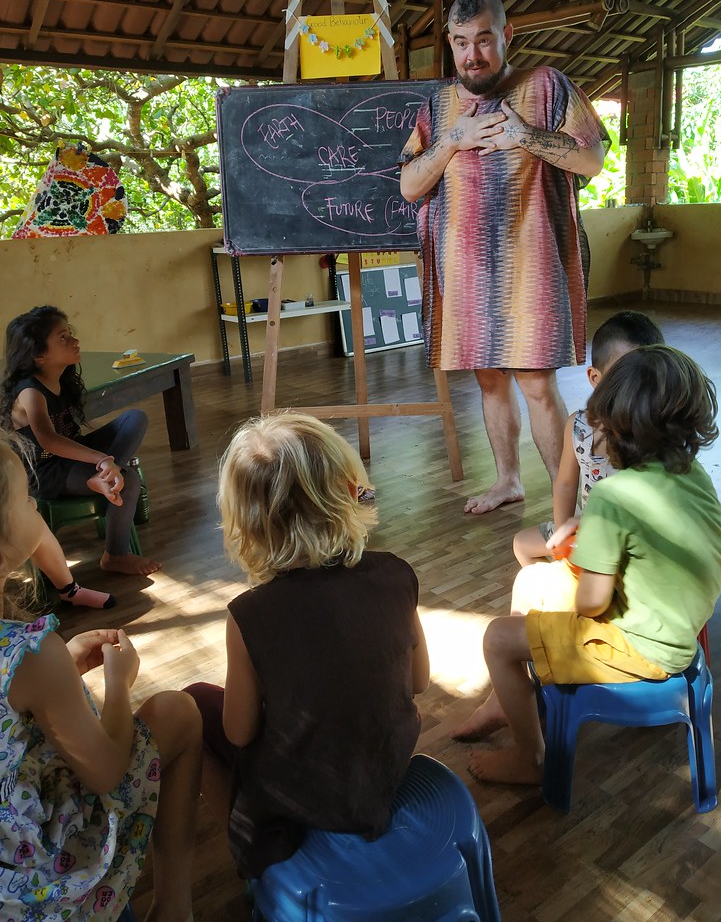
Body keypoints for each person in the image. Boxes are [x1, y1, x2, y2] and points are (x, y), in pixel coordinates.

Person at [460, 346, 721, 785]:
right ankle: (512, 697)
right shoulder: (691, 473)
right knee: (531, 581)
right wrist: (587, 530)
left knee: (496, 639)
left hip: (642, 648)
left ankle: (530, 757)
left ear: (616, 430)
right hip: (677, 624)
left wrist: (585, 550)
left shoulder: (613, 496)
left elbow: (589, 605)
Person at [185, 411, 430, 879]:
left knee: (193, 706)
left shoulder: (249, 614)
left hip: (304, 797)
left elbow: (238, 732)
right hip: (385, 773)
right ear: (349, 490)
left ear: (246, 522)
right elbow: (419, 682)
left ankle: (257, 866)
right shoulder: (398, 573)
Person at [399, 0, 609, 515]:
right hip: (464, 270)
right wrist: (453, 140)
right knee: (490, 381)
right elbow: (408, 185)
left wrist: (524, 134)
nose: (473, 54)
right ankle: (508, 481)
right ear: (449, 41)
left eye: (485, 40)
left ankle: (579, 500)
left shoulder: (546, 86)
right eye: (462, 42)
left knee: (536, 384)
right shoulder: (438, 104)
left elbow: (591, 159)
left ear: (506, 35)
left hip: (531, 265)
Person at [0, 429, 202, 921]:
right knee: (179, 711)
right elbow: (106, 770)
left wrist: (63, 666)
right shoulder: (29, 653)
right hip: (37, 884)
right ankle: (174, 906)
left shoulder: (33, 659)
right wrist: (119, 681)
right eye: (27, 499)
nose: (34, 506)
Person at [0, 305, 160, 578]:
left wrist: (109, 463)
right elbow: (48, 440)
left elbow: (68, 439)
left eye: (70, 333)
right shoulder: (30, 391)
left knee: (135, 418)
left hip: (70, 459)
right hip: (45, 472)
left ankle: (110, 472)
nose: (74, 341)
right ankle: (116, 555)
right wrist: (101, 459)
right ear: (39, 354)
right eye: (63, 337)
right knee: (130, 481)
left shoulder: (61, 380)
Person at [512, 310, 665, 568]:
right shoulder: (578, 426)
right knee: (522, 545)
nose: (635, 388)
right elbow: (564, 485)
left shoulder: (659, 430)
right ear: (596, 378)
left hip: (633, 538)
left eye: (646, 378)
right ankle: (563, 596)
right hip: (584, 530)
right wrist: (563, 536)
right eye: (623, 377)